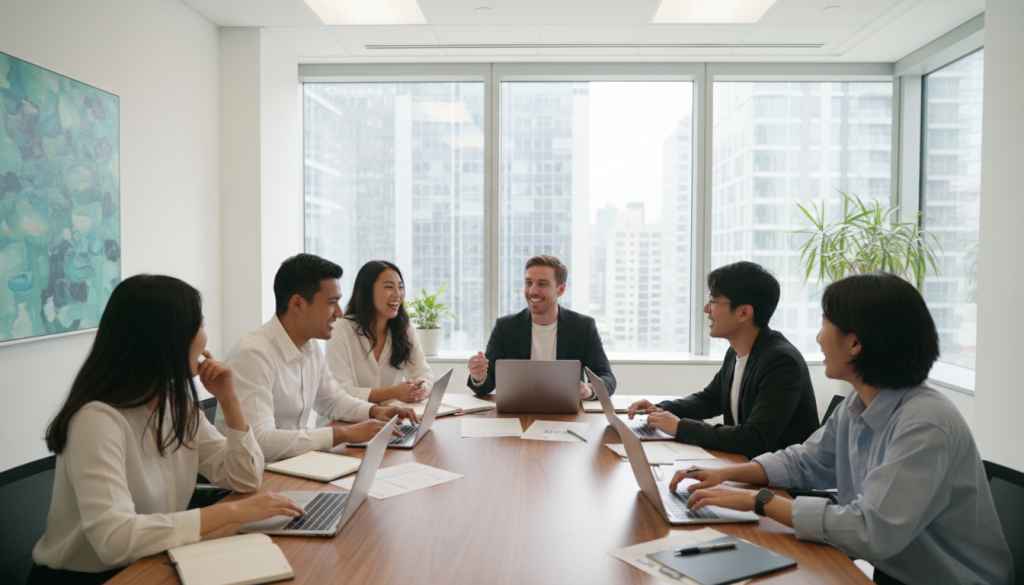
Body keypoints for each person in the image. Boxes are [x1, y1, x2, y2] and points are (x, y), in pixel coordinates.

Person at [670, 273, 1013, 585]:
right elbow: (805, 461)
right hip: (894, 571)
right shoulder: (858, 404)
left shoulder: (925, 423)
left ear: (855, 343)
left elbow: (869, 530)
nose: (818, 338)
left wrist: (757, 500)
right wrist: (726, 474)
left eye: (824, 324)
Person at [29, 275, 305, 585]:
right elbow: (114, 540)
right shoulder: (97, 420)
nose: (205, 339)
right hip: (91, 578)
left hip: (154, 558)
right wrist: (234, 512)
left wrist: (229, 399)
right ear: (167, 338)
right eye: (200, 326)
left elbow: (246, 476)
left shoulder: (177, 404)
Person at [220, 253, 418, 463]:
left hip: (294, 461)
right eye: (332, 302)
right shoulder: (253, 355)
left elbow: (332, 400)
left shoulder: (310, 345)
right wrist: (343, 434)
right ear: (297, 304)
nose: (339, 312)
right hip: (260, 472)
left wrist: (375, 411)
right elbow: (260, 441)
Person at [627, 261, 818, 459]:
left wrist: (680, 427)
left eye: (713, 301)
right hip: (744, 464)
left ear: (744, 312)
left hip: (778, 475)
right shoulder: (736, 351)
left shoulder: (781, 362)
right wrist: (660, 409)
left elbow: (755, 438)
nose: (706, 309)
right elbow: (710, 399)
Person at [467, 254, 615, 399]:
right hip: (516, 409)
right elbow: (488, 383)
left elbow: (606, 377)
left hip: (566, 410)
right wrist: (479, 377)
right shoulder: (505, 327)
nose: (532, 291)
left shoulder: (583, 327)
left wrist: (589, 390)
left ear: (561, 290)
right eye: (528, 283)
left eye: (542, 284)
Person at [325, 260, 435, 405]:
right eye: (389, 287)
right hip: (348, 417)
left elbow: (424, 373)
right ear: (367, 291)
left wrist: (422, 387)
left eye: (400, 287)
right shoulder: (340, 330)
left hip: (391, 416)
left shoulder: (404, 328)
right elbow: (341, 391)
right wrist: (394, 392)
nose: (398, 294)